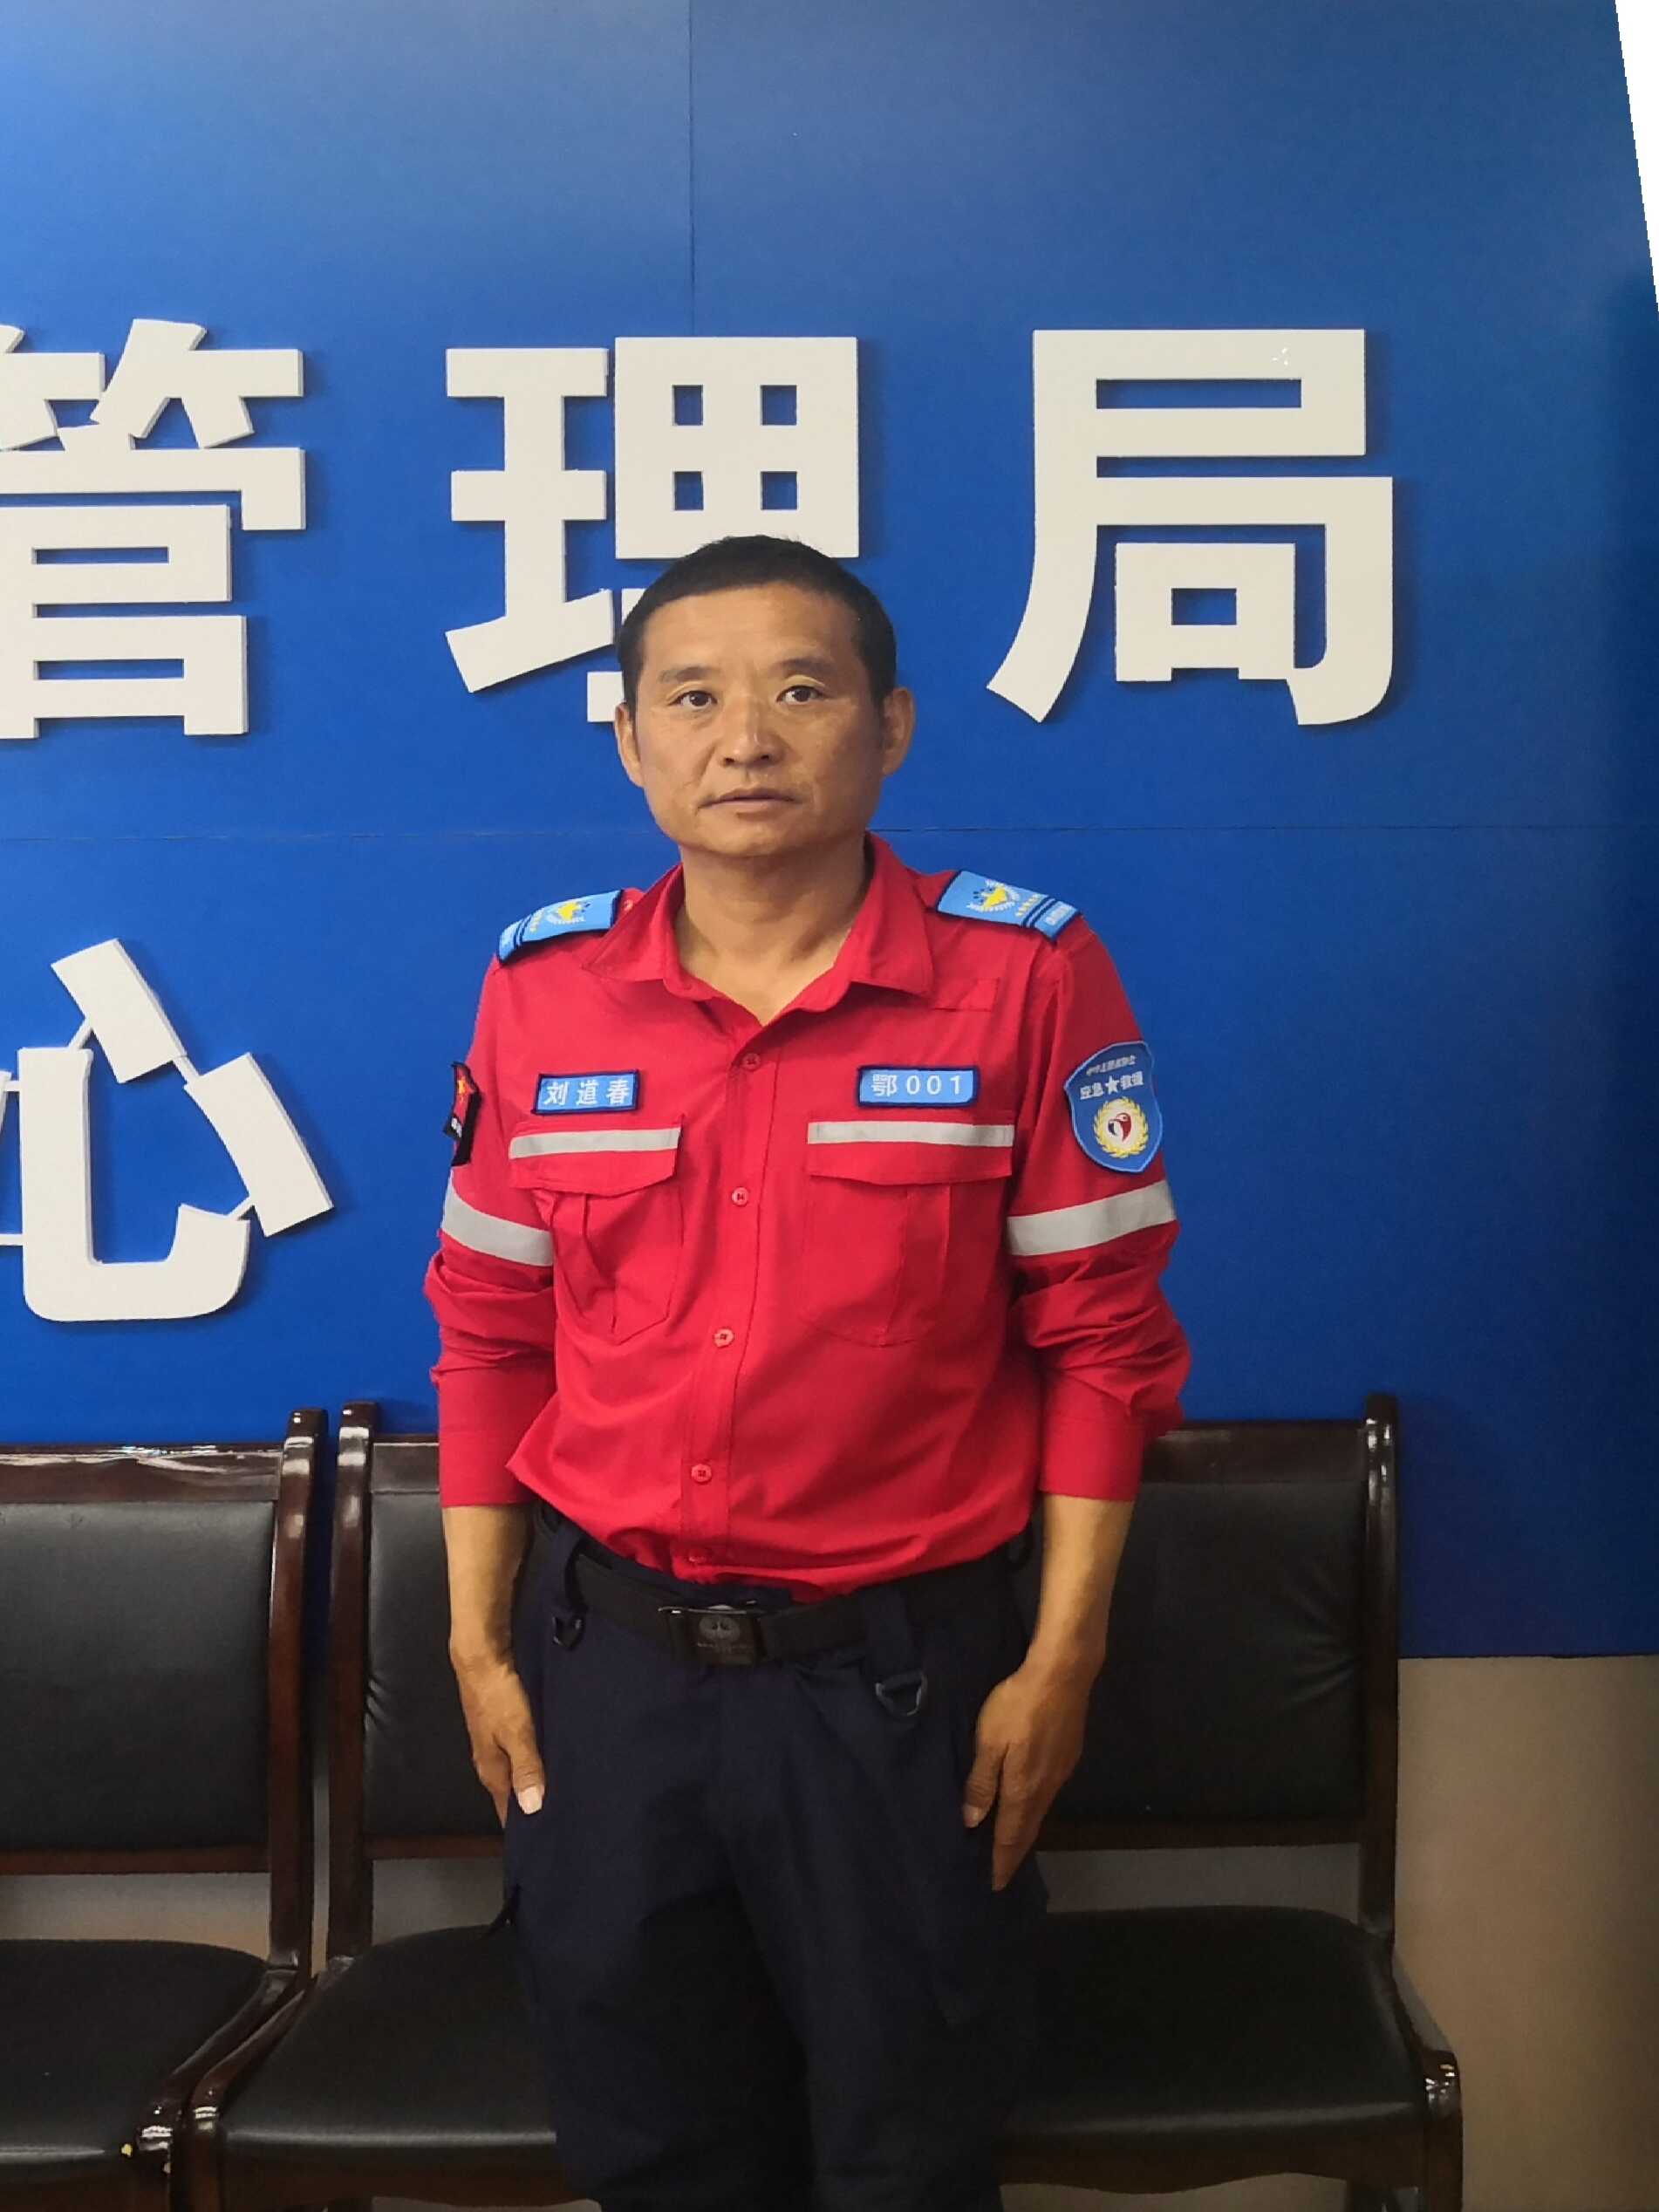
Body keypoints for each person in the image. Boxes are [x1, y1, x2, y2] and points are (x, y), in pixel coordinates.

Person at [423, 533, 1190, 2212]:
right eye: (691, 698)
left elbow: (1105, 1346)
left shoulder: (1022, 977)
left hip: (897, 1685)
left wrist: (1062, 1659)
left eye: (798, 690)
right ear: (630, 742)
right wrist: (477, 1643)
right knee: (653, 2151)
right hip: (606, 1676)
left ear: (890, 726)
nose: (745, 739)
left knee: (907, 2151)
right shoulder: (542, 991)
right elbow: (488, 1336)